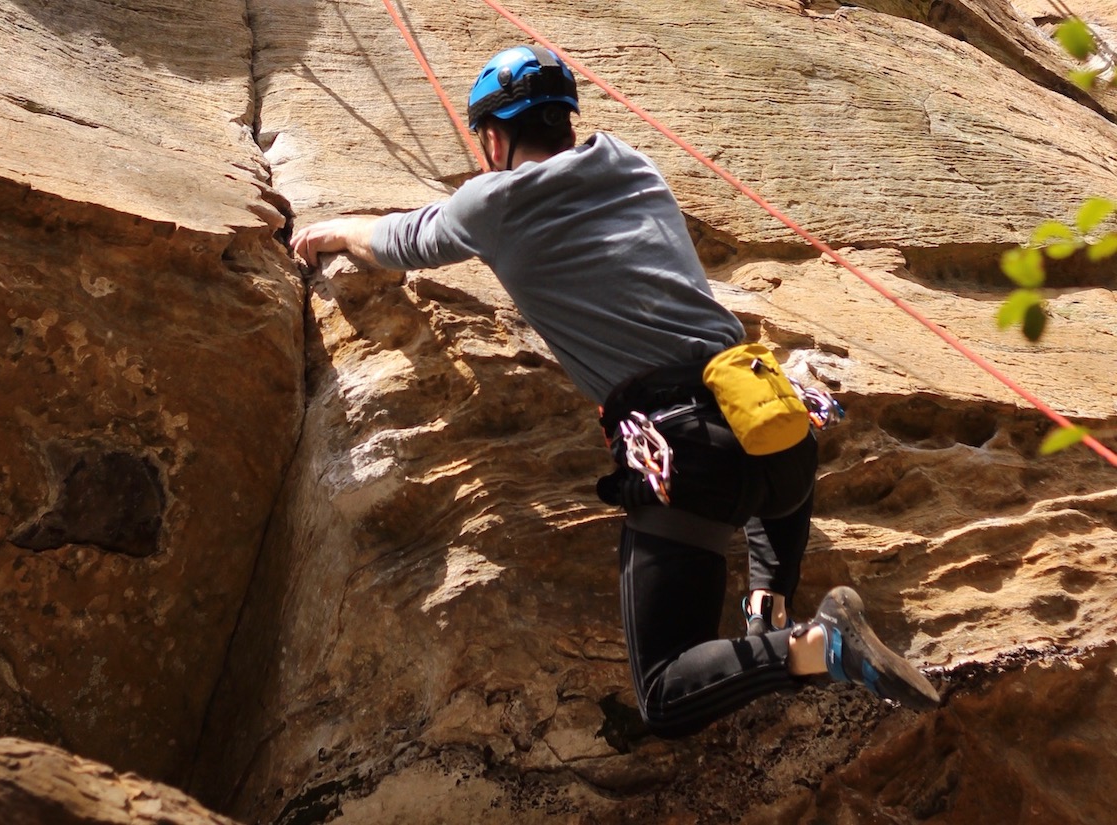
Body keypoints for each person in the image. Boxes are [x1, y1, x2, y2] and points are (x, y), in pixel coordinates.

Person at [291, 45, 940, 735]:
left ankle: (822, 647)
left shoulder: (491, 203)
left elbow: (398, 239)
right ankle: (770, 612)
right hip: (776, 429)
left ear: (492, 136)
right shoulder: (631, 160)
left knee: (665, 692)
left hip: (692, 452)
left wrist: (332, 229)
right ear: (568, 122)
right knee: (767, 498)